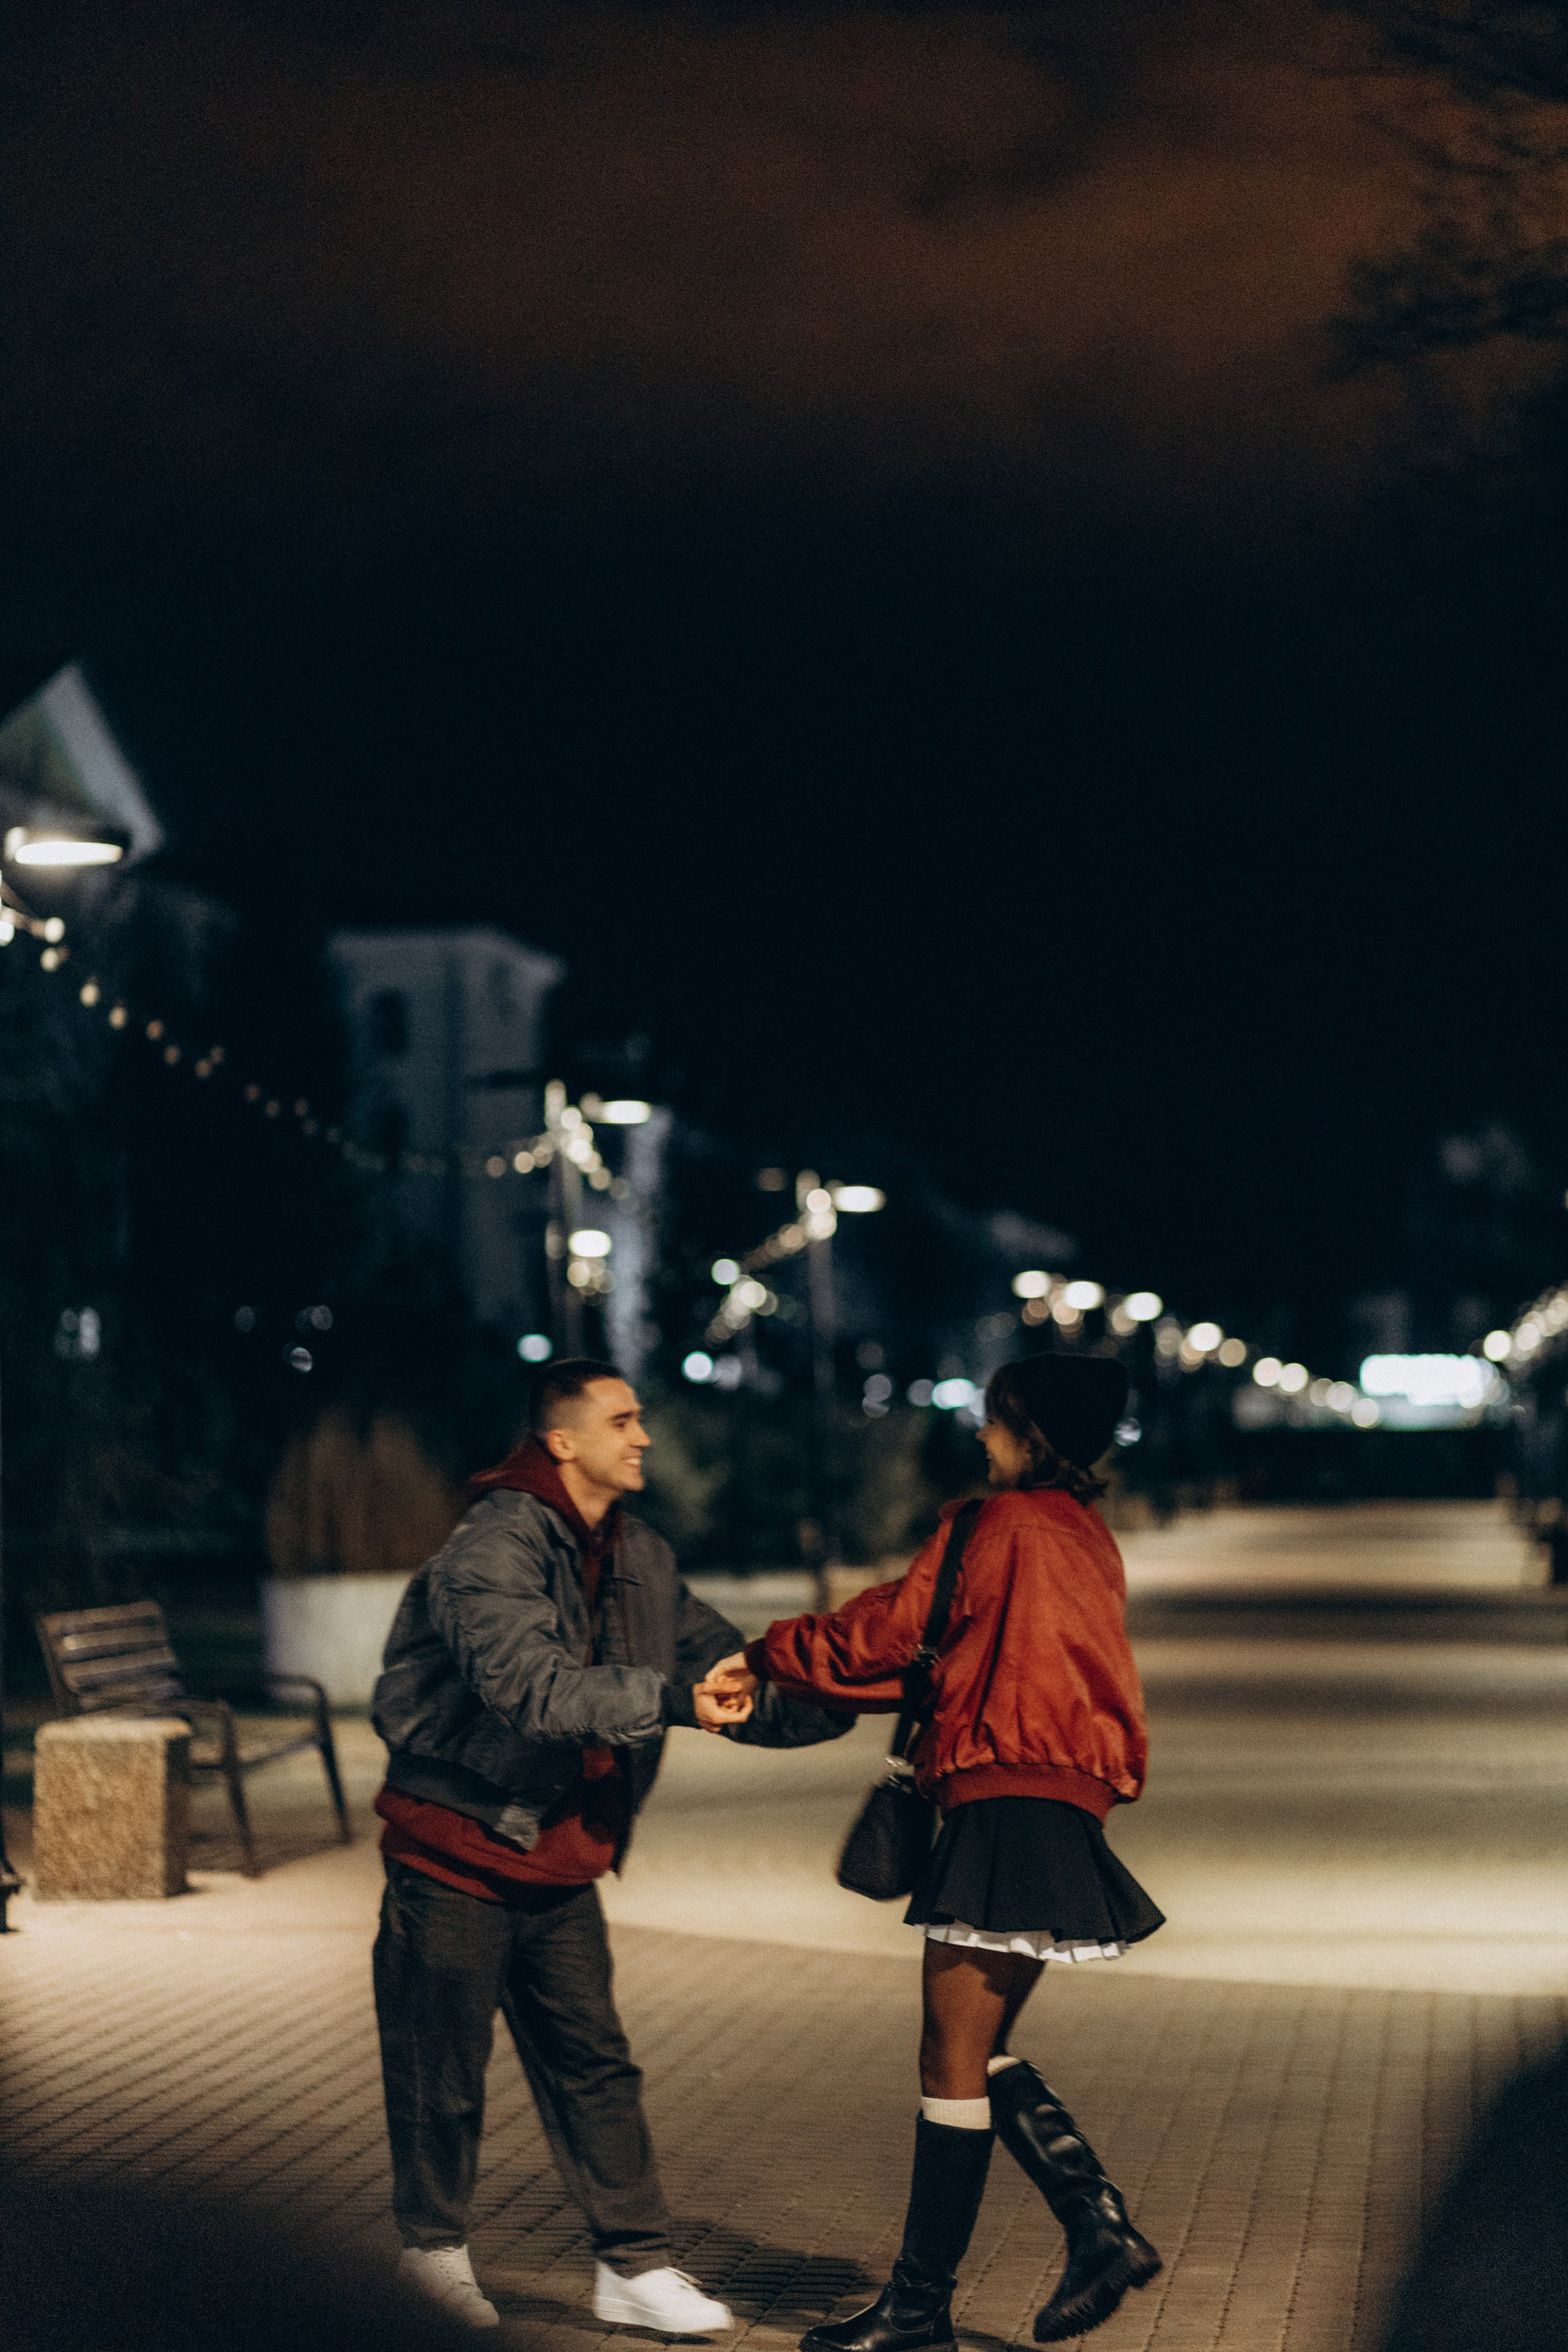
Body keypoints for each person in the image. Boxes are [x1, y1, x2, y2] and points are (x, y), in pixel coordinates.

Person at [369, 1357, 850, 2334]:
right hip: (458, 1849)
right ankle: (432, 2255)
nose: (644, 1437)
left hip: (557, 1859)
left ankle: (633, 2268)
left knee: (595, 2065)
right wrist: (675, 1703)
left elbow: (725, 1670)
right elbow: (534, 1691)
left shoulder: (639, 1553)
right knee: (440, 2071)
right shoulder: (490, 1551)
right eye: (623, 1421)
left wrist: (860, 1690)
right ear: (563, 1441)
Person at [704, 1354, 1165, 2350]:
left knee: (947, 2054)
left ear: (1027, 1430)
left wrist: (768, 1651)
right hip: (1060, 1799)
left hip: (1006, 1797)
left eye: (994, 1419)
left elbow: (896, 1632)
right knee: (977, 2050)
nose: (981, 1435)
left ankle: (934, 2304)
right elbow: (948, 1662)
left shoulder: (995, 1524)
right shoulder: (1088, 1537)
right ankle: (1088, 2228)